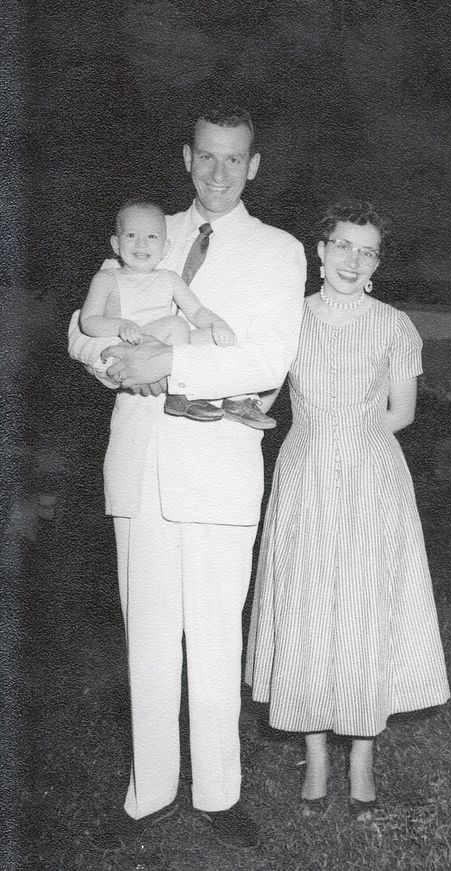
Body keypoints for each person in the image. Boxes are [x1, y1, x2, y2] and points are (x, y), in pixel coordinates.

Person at [68, 105, 306, 848]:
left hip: (219, 464)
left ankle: (218, 792)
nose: (218, 172)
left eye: (234, 159)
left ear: (255, 165)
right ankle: (150, 792)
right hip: (139, 464)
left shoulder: (278, 251)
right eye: (206, 156)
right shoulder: (146, 228)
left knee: (212, 637)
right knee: (147, 635)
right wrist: (109, 358)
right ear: (186, 156)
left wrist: (167, 362)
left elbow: (267, 356)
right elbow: (80, 325)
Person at [245, 200, 450, 820]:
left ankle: (360, 763)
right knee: (307, 605)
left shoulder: (395, 325)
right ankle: (314, 764)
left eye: (366, 251)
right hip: (304, 475)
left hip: (370, 480)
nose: (351, 260)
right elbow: (264, 393)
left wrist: (350, 442)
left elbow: (402, 412)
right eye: (341, 245)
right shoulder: (289, 318)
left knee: (362, 607)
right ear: (320, 250)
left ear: (378, 264)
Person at [80, 197, 276, 428]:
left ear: (165, 247)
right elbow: (88, 321)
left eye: (151, 237)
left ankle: (238, 400)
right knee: (177, 324)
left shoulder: (168, 278)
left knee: (215, 338)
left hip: (164, 346)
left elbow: (196, 311)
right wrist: (120, 326)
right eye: (131, 235)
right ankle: (179, 396)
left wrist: (218, 324)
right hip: (128, 350)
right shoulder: (107, 278)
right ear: (116, 244)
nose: (141, 244)